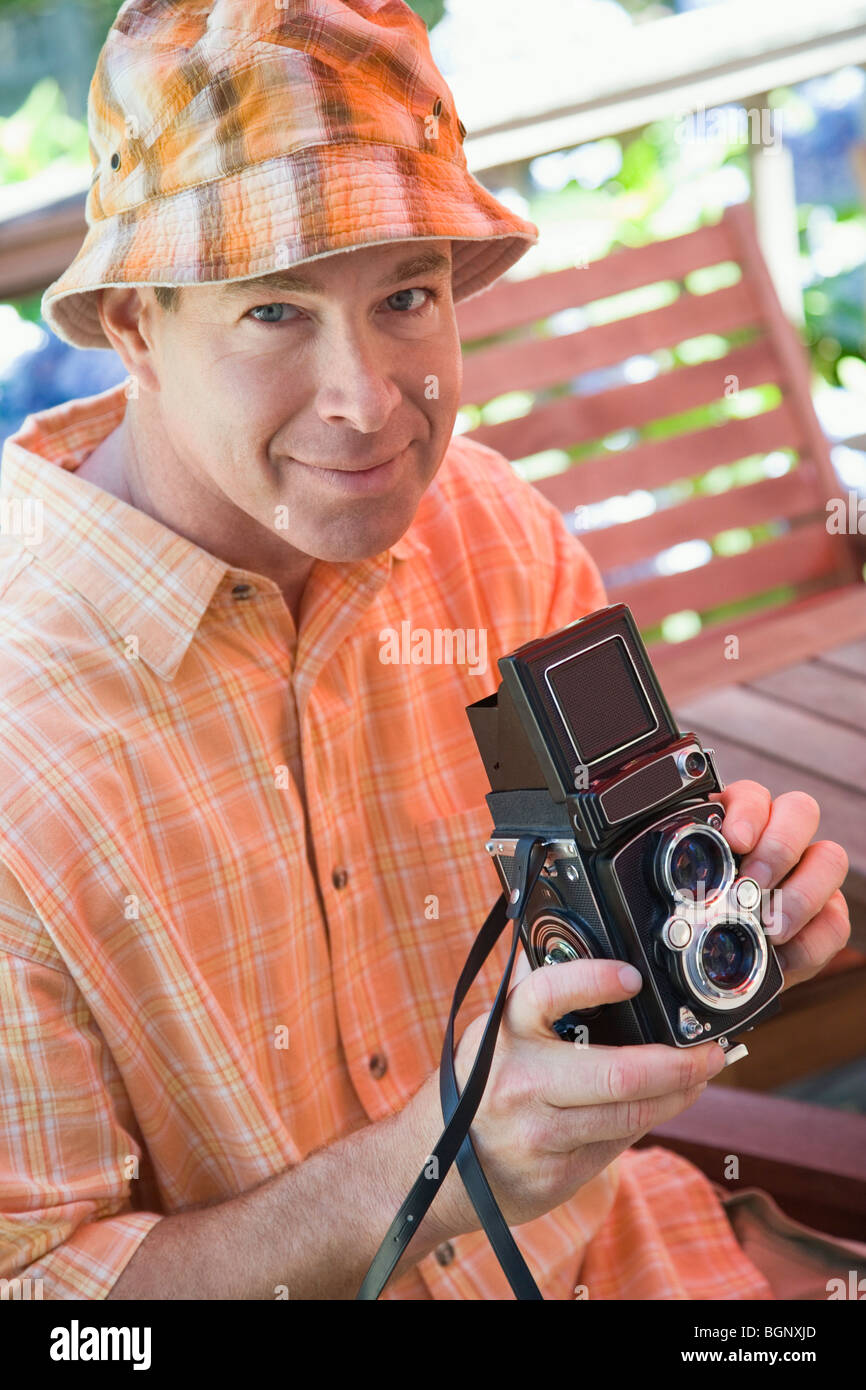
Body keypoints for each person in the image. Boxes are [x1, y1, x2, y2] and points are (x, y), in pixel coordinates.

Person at [0, 0, 858, 1301]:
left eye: (407, 294)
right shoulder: (20, 724)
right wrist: (433, 1162)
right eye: (275, 313)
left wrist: (714, 928)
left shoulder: (496, 532)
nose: (366, 399)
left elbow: (602, 963)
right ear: (131, 323)